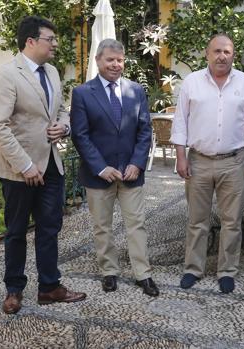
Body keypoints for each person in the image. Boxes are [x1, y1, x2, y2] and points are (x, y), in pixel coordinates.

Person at [0, 15, 86, 315]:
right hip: (19, 170)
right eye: (50, 39)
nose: (55, 44)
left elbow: (61, 111)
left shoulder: (53, 72)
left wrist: (64, 127)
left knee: (50, 228)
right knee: (16, 231)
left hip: (51, 165)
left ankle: (49, 287)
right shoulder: (7, 75)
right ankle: (14, 289)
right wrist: (26, 165)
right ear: (30, 41)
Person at [171, 34, 244, 294]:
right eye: (216, 51)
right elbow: (180, 121)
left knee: (232, 221)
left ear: (233, 54)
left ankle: (227, 271)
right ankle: (193, 268)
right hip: (198, 162)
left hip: (233, 162)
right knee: (196, 220)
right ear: (207, 53)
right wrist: (180, 156)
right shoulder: (191, 83)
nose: (221, 56)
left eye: (226, 51)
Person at [70, 39, 158, 297]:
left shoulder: (136, 90)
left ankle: (144, 274)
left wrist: (137, 163)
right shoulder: (83, 93)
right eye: (110, 60)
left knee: (136, 225)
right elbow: (80, 135)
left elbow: (145, 130)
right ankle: (109, 271)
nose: (116, 65)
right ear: (98, 60)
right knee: (102, 226)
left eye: (120, 60)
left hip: (131, 173)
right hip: (99, 176)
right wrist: (100, 167)